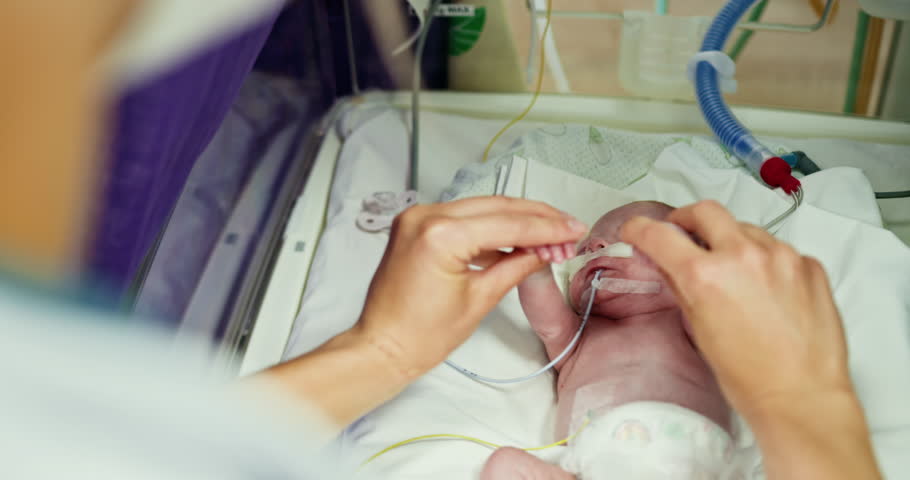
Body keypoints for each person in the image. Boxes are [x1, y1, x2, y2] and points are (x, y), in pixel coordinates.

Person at [0, 2, 882, 479]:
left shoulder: (699, 331)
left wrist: (380, 346)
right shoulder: (578, 327)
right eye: (602, 246)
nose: (614, 255)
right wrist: (808, 408)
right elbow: (545, 321)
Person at [482, 201, 734, 479]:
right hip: (589, 465)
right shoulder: (579, 336)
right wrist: (533, 265)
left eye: (625, 239)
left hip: (690, 460)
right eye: (582, 250)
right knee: (505, 465)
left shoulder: (687, 325)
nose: (594, 247)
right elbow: (548, 325)